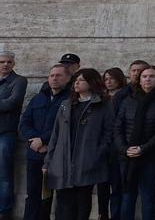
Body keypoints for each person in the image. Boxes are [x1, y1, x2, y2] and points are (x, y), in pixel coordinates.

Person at [45, 68, 114, 220]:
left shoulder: (103, 104)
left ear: (91, 82)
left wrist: (96, 154)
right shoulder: (65, 105)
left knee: (82, 202)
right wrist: (48, 161)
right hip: (63, 161)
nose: (76, 83)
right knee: (63, 203)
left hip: (87, 160)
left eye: (81, 80)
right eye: (75, 80)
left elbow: (108, 134)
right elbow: (55, 135)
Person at [115, 65, 155, 220]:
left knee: (147, 195)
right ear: (139, 80)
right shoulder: (129, 100)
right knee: (127, 195)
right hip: (127, 156)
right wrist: (124, 149)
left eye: (152, 76)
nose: (147, 79)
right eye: (144, 76)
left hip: (151, 156)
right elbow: (118, 126)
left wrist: (144, 148)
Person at [19, 64, 70, 220]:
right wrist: (35, 140)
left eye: (59, 75)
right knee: (33, 194)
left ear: (68, 78)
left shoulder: (70, 99)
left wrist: (43, 140)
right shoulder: (38, 98)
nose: (54, 78)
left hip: (57, 155)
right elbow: (24, 122)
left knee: (58, 195)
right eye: (52, 75)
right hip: (34, 153)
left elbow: (64, 126)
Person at [97, 67, 127, 220]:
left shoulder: (126, 96)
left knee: (116, 184)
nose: (108, 82)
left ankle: (116, 215)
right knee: (102, 185)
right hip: (101, 145)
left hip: (117, 146)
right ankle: (103, 214)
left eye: (111, 78)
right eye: (106, 79)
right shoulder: (101, 97)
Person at [0, 50, 26, 220]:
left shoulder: (19, 80)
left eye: (9, 62)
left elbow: (13, 102)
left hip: (5, 133)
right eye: (2, 62)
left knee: (4, 175)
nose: (5, 64)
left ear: (13, 64)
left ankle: (4, 211)